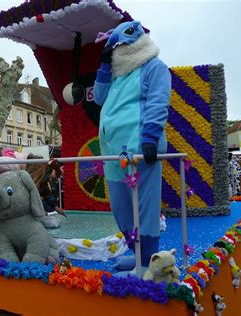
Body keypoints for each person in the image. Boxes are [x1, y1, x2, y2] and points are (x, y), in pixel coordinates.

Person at [93, 21, 171, 274]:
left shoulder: (154, 68)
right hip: (113, 154)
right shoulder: (118, 75)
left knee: (145, 208)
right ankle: (139, 256)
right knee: (122, 210)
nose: (117, 50)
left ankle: (149, 263)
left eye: (119, 46)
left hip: (139, 152)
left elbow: (159, 102)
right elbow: (100, 97)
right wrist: (104, 67)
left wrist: (149, 139)